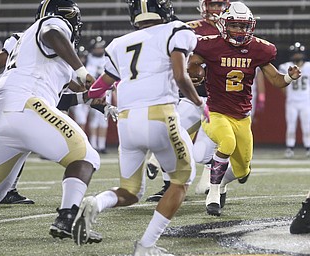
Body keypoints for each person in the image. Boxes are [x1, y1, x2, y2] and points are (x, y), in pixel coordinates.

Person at [71, 0, 207, 255]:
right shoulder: (177, 30)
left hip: (127, 120)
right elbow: (180, 75)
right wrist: (199, 103)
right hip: (160, 115)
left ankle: (96, 202)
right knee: (181, 181)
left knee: (130, 191)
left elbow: (99, 89)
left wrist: (99, 103)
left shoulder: (118, 44)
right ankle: (146, 246)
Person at [0, 0, 102, 243]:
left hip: (2, 111)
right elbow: (52, 32)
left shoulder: (29, 47)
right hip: (25, 106)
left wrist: (89, 98)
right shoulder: (52, 26)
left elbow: (56, 98)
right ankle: (67, 217)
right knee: (85, 157)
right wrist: (82, 70)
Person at [190, 1, 301, 216]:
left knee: (243, 171)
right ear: (224, 25)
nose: (239, 31)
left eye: (243, 26)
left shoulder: (259, 49)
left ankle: (220, 184)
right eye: (235, 26)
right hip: (215, 111)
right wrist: (194, 70)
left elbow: (276, 81)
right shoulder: (210, 45)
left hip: (242, 116)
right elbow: (193, 63)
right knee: (227, 142)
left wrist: (289, 77)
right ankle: (212, 194)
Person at [145, 0, 230, 202]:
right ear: (203, 6)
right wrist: (186, 70)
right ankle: (168, 185)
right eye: (213, 4)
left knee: (207, 150)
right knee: (170, 132)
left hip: (220, 97)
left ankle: (219, 180)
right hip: (194, 94)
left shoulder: (234, 29)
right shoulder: (190, 28)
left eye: (220, 4)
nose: (216, 9)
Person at [0, 33, 35, 204]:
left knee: (20, 142)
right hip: (7, 97)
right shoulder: (24, 38)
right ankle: (8, 190)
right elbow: (1, 61)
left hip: (18, 97)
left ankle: (9, 189)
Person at [71, 37, 110, 153]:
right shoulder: (84, 66)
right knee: (82, 120)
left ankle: (96, 145)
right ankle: (83, 145)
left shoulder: (102, 60)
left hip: (98, 91)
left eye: (83, 56)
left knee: (100, 119)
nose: (82, 59)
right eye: (80, 56)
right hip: (81, 93)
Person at [279, 42, 310, 158]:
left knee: (307, 125)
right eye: (295, 53)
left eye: (298, 53)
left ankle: (308, 147)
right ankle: (289, 148)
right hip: (292, 101)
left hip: (305, 101)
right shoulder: (286, 66)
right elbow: (283, 84)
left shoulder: (308, 67)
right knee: (291, 125)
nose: (297, 56)